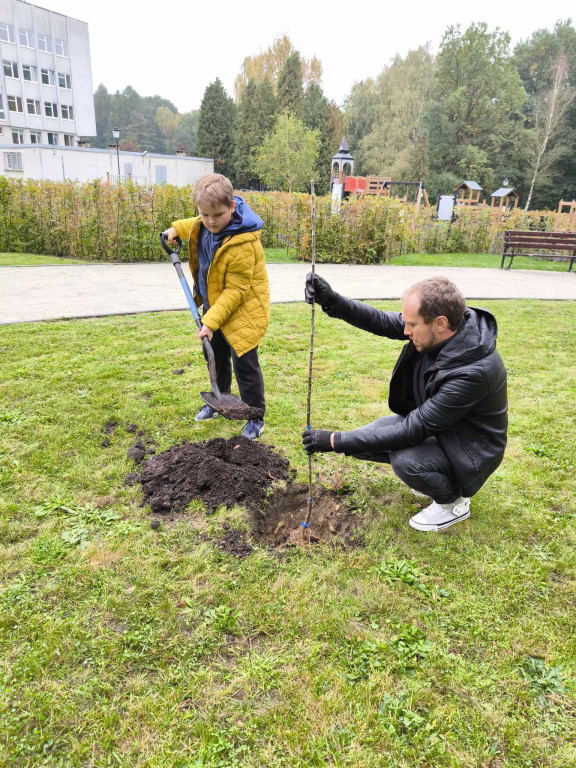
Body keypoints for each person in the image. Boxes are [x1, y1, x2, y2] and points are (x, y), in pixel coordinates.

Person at [302, 275, 508, 531]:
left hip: (470, 450)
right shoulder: (444, 330)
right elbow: (381, 321)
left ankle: (452, 502)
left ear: (440, 323)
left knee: (406, 460)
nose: (405, 330)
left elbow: (414, 428)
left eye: (411, 324)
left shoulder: (474, 372)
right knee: (365, 439)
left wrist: (333, 441)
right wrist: (332, 301)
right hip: (445, 430)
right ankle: (435, 475)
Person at [163, 173, 269, 440]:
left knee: (245, 365)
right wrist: (176, 229)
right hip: (214, 306)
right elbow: (195, 225)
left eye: (217, 215)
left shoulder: (244, 244)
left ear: (231, 207)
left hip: (242, 311)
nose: (210, 221)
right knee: (215, 356)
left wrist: (210, 322)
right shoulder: (206, 222)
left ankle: (255, 417)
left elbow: (236, 291)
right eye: (204, 214)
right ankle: (218, 400)